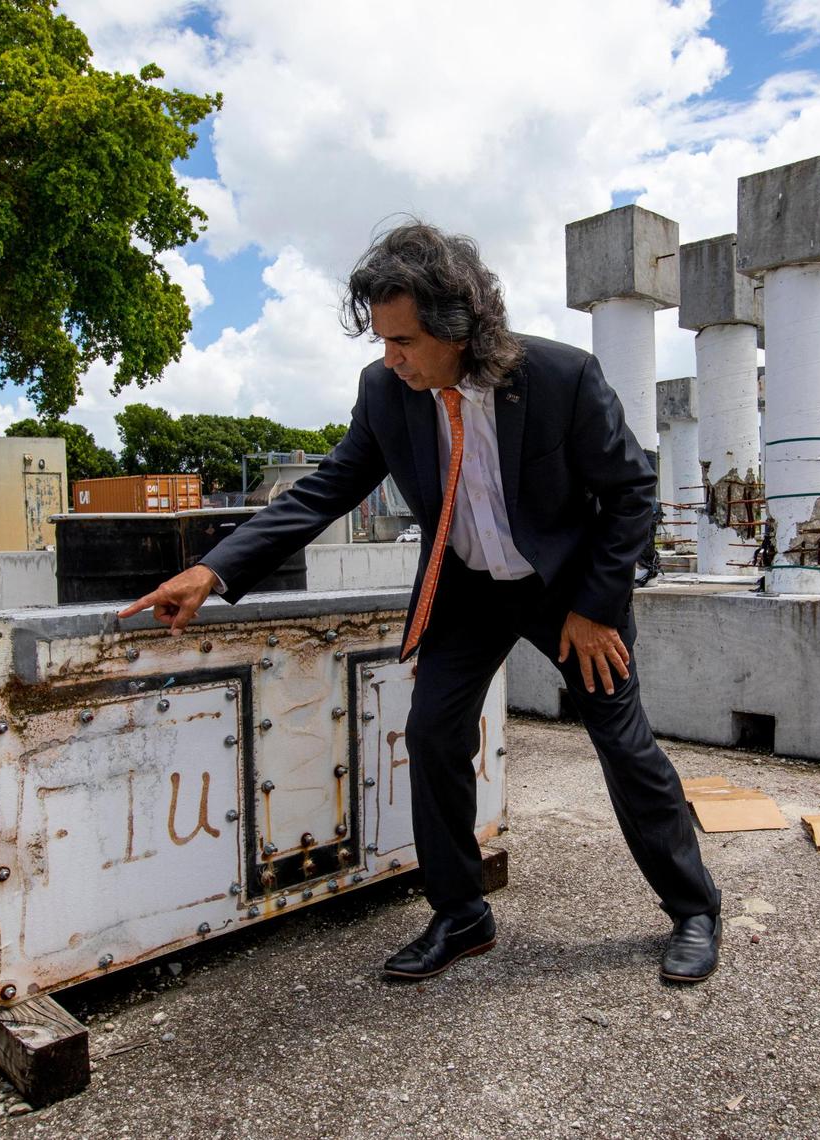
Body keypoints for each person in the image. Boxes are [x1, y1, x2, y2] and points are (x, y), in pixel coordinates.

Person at [118, 221, 721, 984]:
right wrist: (212, 571)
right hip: (466, 588)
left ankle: (694, 908)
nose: (389, 358)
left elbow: (632, 492)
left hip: (567, 595)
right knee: (433, 735)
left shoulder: (563, 377)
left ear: (457, 328)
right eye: (381, 340)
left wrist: (597, 607)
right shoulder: (385, 392)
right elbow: (326, 490)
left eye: (402, 341)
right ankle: (461, 914)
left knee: (623, 745)